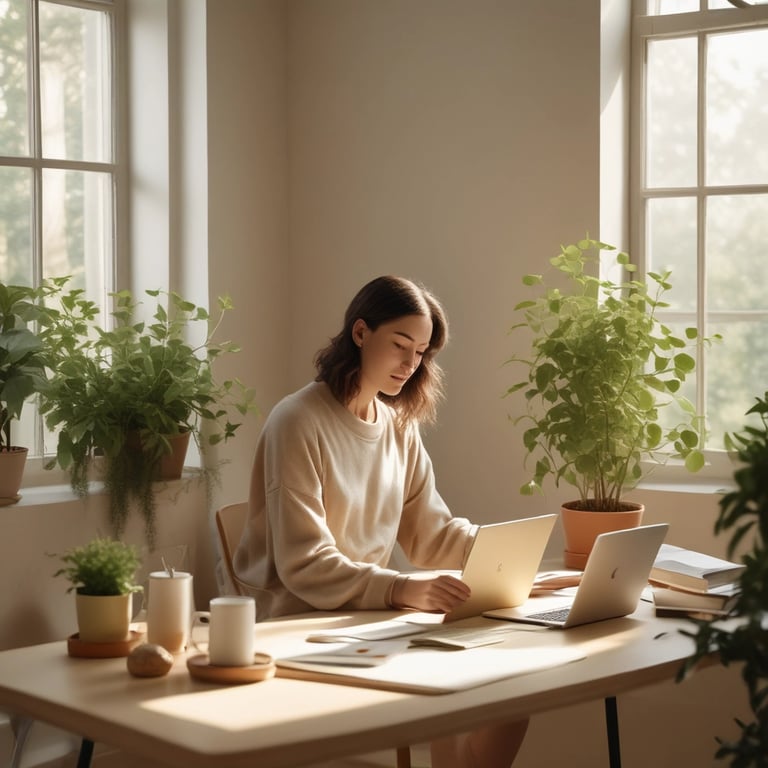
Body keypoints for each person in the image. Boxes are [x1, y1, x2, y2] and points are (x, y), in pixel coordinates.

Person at [233, 275, 529, 768]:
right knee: (451, 694)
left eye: (421, 352)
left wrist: (505, 551)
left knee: (513, 696)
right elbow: (304, 563)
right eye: (399, 345)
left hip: (368, 618)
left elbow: (431, 534)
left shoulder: (398, 426)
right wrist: (400, 589)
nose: (410, 364)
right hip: (299, 624)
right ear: (360, 333)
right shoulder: (297, 421)